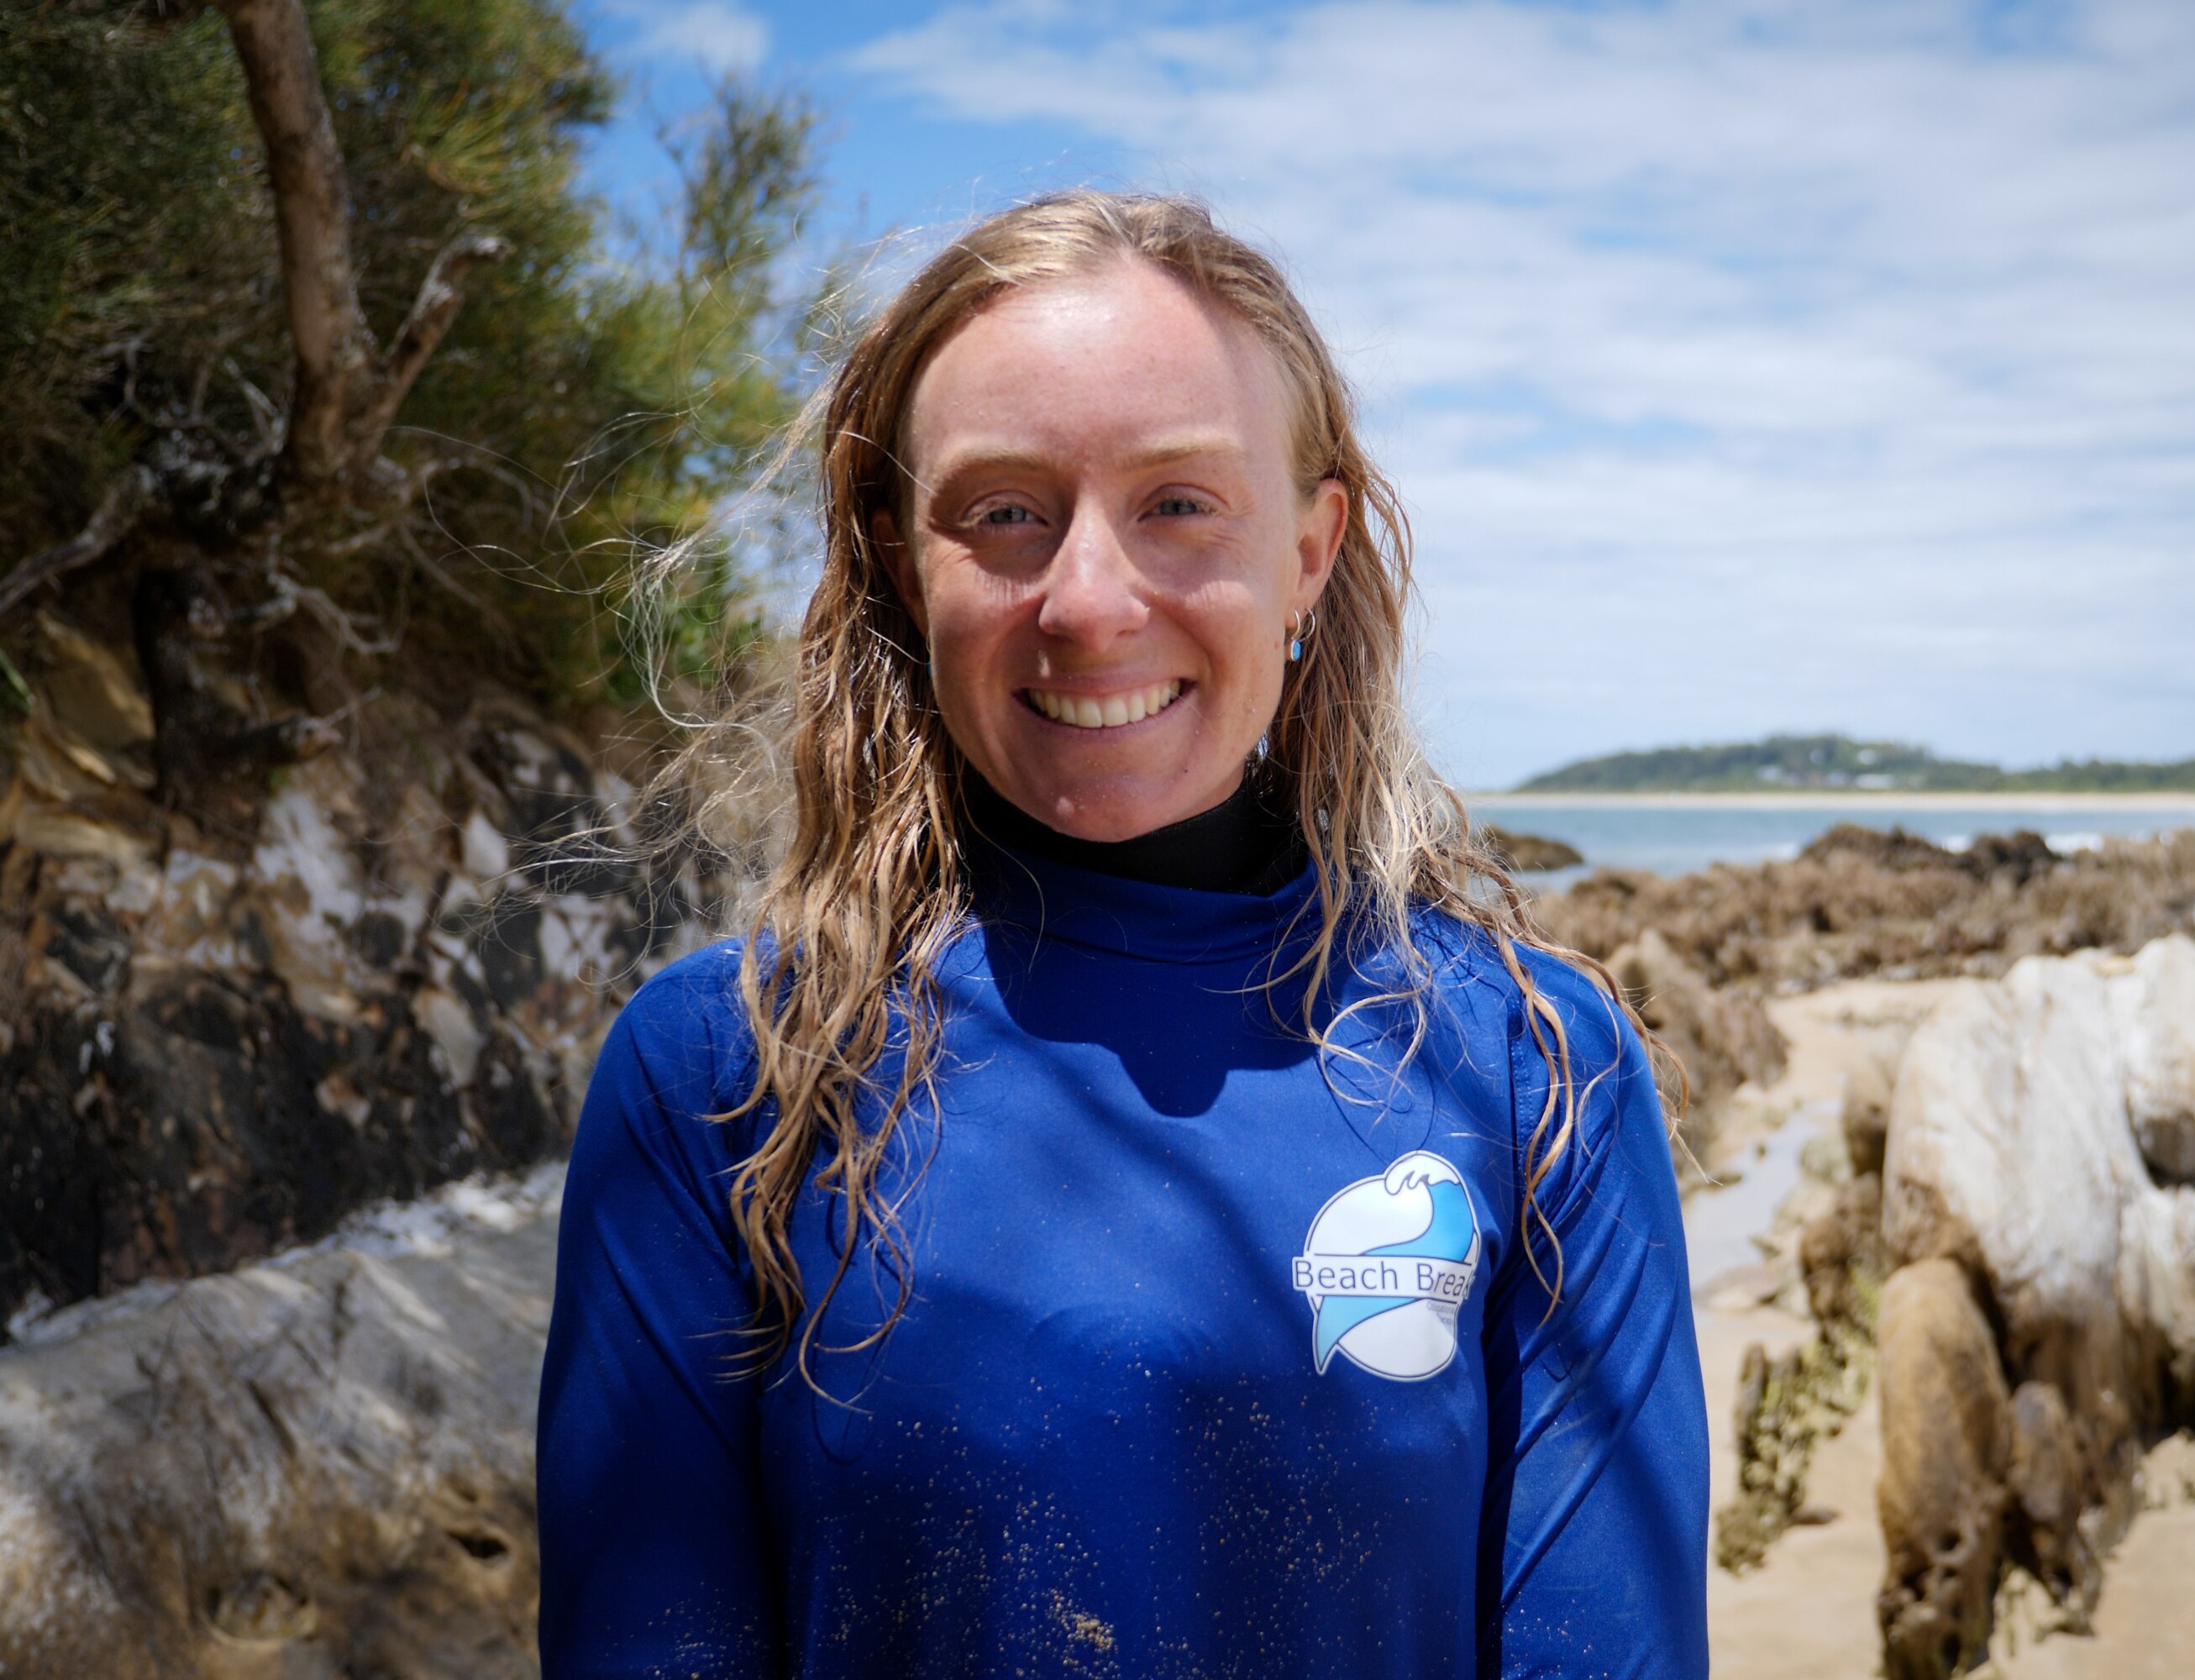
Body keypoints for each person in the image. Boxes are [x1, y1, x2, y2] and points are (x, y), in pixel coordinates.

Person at [536, 191, 1709, 1678]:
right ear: (906, 563)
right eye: (1006, 512)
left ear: (1309, 551)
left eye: (1179, 503)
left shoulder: (1536, 1075)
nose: (1089, 603)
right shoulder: (727, 1076)